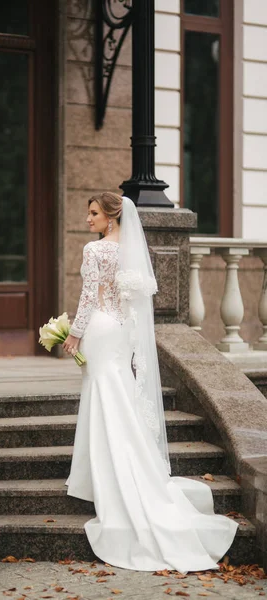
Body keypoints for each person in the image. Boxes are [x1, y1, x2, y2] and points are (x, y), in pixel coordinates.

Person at [62, 191, 238, 573]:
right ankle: (118, 470)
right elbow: (134, 306)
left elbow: (89, 297)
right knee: (118, 396)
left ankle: (103, 479)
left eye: (93, 213)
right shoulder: (132, 253)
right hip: (121, 331)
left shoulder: (95, 252)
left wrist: (73, 334)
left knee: (104, 398)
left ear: (111, 217)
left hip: (100, 329)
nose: (88, 218)